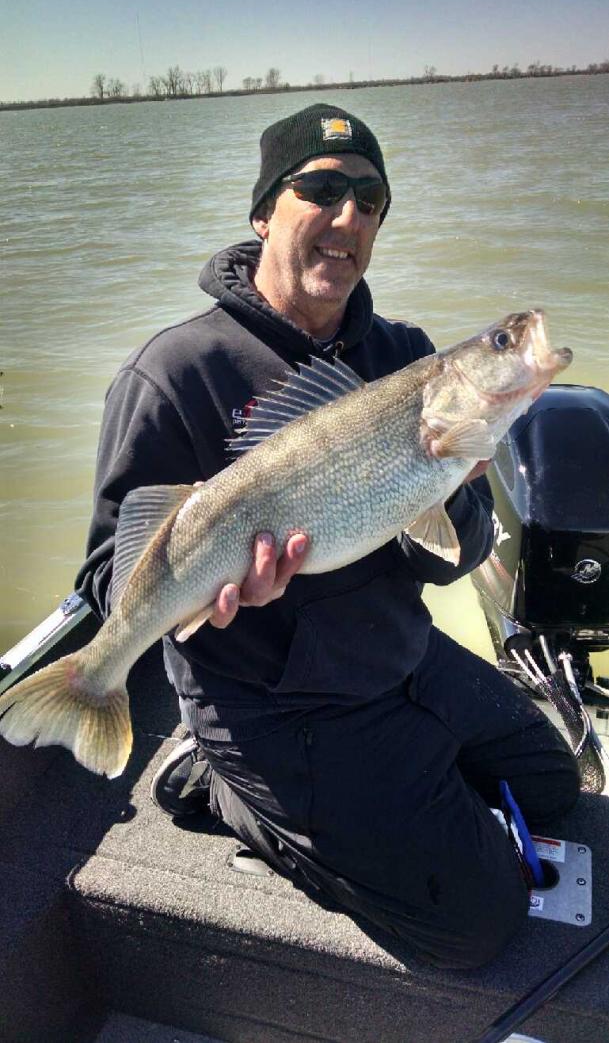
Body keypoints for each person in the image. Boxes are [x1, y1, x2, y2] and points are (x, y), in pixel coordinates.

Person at [77, 104, 580, 970]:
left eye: (371, 200)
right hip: (274, 702)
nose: (349, 216)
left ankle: (379, 792)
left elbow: (455, 557)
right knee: (477, 919)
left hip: (396, 655)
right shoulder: (172, 376)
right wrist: (213, 591)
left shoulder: (403, 355)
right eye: (321, 189)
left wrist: (453, 485)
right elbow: (100, 579)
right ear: (264, 211)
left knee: (550, 786)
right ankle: (228, 789)